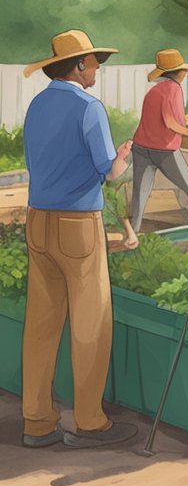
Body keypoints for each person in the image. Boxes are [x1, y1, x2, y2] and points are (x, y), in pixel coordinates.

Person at [19, 30, 138, 449]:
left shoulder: (36, 105)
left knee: (40, 324)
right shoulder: (89, 107)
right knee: (91, 322)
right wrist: (123, 155)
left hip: (38, 220)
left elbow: (35, 162)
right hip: (78, 222)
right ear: (79, 66)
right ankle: (88, 420)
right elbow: (109, 172)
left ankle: (36, 422)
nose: (97, 68)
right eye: (93, 61)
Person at [129, 49, 188, 232]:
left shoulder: (154, 91)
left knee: (139, 195)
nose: (185, 74)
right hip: (164, 151)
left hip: (141, 147)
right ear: (177, 72)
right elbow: (171, 124)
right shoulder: (173, 89)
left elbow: (156, 120)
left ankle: (133, 234)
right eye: (183, 70)